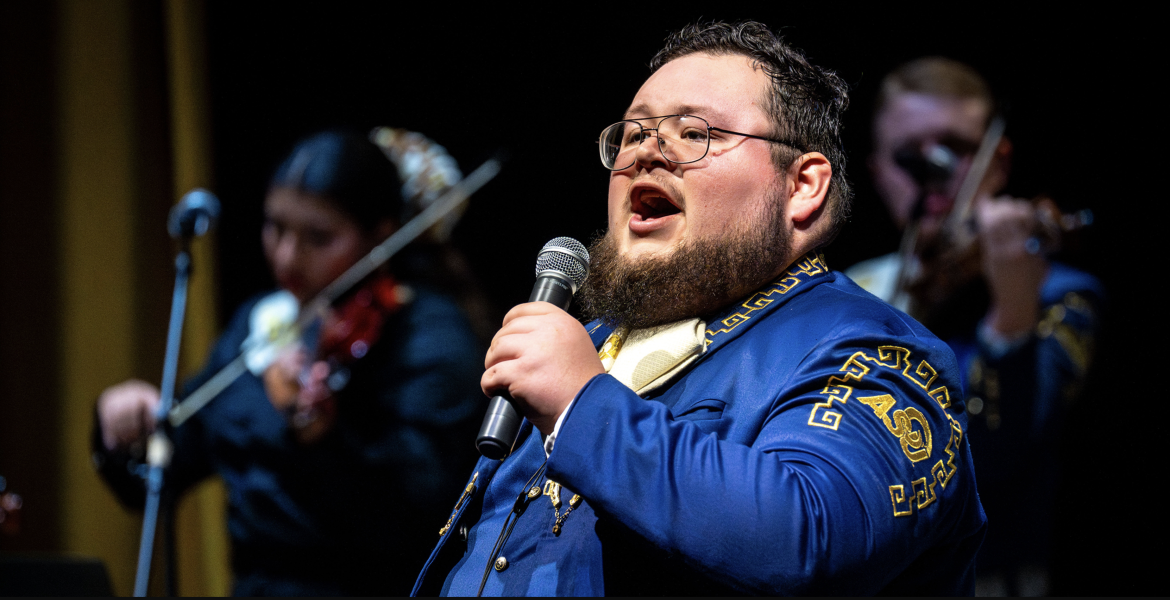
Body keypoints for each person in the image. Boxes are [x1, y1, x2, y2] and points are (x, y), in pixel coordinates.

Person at [413, 21, 985, 596]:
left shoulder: (876, 352)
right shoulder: (583, 346)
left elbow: (810, 538)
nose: (644, 151)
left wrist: (583, 406)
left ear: (802, 186)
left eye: (694, 132)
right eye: (632, 132)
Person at [93, 129, 486, 595]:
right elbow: (168, 463)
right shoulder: (262, 322)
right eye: (275, 228)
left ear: (381, 235)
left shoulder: (430, 339)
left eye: (318, 238)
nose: (286, 256)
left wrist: (322, 439)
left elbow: (422, 515)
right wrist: (125, 427)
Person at [845, 58, 1104, 595]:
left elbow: (998, 461)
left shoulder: (1059, 294)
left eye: (955, 150)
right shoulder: (856, 290)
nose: (932, 173)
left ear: (998, 160)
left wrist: (1012, 314)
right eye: (907, 156)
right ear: (876, 173)